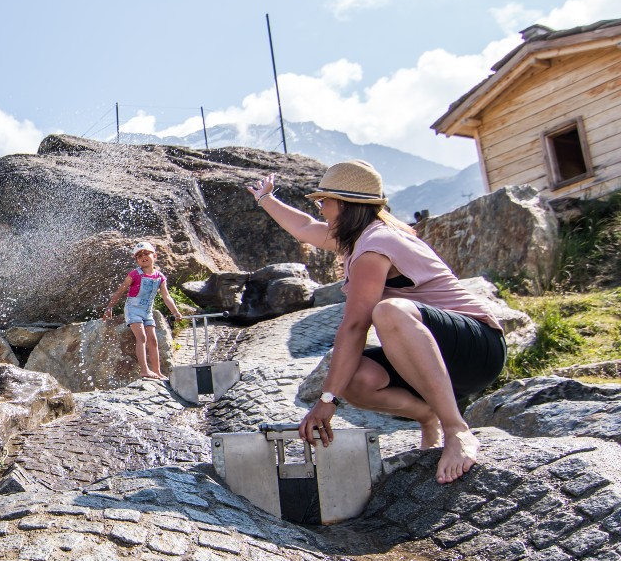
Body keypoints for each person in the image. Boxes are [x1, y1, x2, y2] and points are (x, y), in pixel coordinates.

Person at [248, 160, 506, 484]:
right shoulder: (360, 236)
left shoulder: (375, 245)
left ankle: (456, 430)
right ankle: (428, 415)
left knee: (388, 313)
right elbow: (304, 228)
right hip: (433, 356)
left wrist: (327, 400)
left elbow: (355, 325)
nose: (321, 208)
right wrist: (265, 199)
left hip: (476, 348)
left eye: (323, 201)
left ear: (343, 205)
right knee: (353, 379)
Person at [102, 241, 187, 380]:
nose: (143, 257)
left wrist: (175, 312)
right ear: (136, 260)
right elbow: (120, 291)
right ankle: (144, 370)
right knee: (141, 337)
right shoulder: (134, 274)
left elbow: (166, 296)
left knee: (153, 340)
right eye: (139, 256)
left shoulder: (160, 277)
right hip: (133, 309)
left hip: (147, 311)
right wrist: (109, 307)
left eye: (146, 253)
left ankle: (157, 371)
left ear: (155, 256)